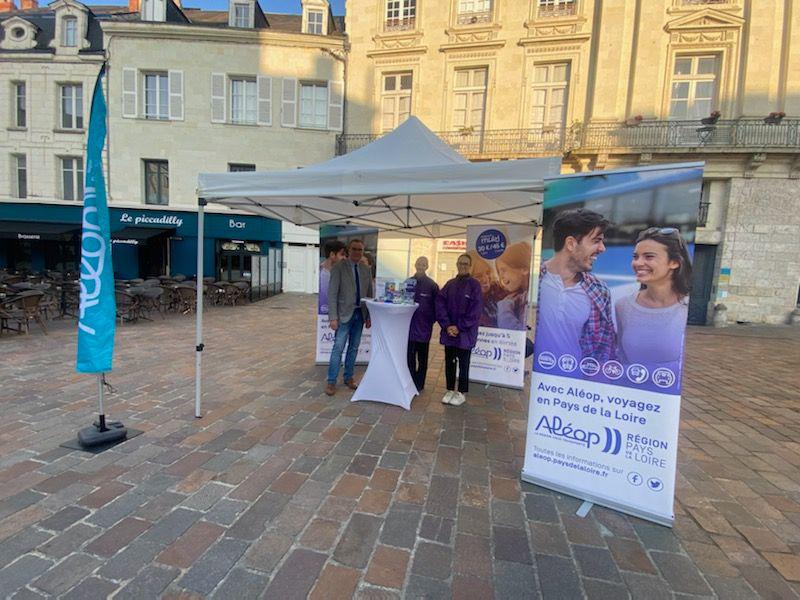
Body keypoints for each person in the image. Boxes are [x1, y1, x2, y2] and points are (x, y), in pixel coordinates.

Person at [536, 208, 615, 362]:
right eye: (596, 240)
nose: (602, 248)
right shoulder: (532, 280)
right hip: (536, 380)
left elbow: (605, 348)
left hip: (576, 381)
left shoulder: (600, 291)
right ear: (571, 244)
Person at [615, 227, 693, 370]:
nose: (638, 263)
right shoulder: (622, 306)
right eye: (635, 257)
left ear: (674, 263)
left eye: (649, 256)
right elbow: (621, 357)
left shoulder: (688, 308)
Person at [326, 239, 373, 396]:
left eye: (360, 250)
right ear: (348, 250)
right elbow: (332, 293)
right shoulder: (339, 267)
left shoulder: (366, 269)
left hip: (360, 315)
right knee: (338, 348)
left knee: (353, 348)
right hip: (343, 315)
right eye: (354, 249)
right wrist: (333, 317)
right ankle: (331, 381)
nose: (357, 252)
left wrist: (369, 316)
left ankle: (348, 378)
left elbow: (369, 294)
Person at [436, 253, 482, 407]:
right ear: (456, 264)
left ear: (470, 266)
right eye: (460, 263)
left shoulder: (475, 286)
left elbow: (475, 312)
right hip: (449, 331)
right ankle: (449, 389)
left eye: (465, 264)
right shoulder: (450, 284)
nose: (462, 266)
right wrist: (447, 325)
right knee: (449, 361)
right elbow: (440, 304)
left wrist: (459, 326)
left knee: (464, 363)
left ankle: (461, 392)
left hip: (465, 334)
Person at [405, 257, 439, 392]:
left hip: (424, 328)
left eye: (423, 264)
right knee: (409, 357)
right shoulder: (408, 282)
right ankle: (410, 381)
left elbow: (438, 306)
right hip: (409, 327)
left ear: (427, 266)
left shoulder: (432, 285)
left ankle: (420, 384)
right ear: (415, 264)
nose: (420, 266)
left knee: (422, 358)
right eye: (419, 263)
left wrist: (431, 320)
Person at [495, 241, 531, 331]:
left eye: (504, 270)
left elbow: (514, 332)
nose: (501, 277)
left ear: (524, 269)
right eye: (499, 272)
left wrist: (504, 308)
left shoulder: (529, 299)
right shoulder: (517, 296)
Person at [469, 250, 506, 328]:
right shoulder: (465, 300)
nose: (486, 279)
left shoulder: (498, 290)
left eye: (488, 272)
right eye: (478, 276)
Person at [319, 240, 346, 314]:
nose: (344, 258)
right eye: (342, 254)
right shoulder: (318, 273)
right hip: (323, 316)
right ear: (332, 255)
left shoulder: (342, 273)